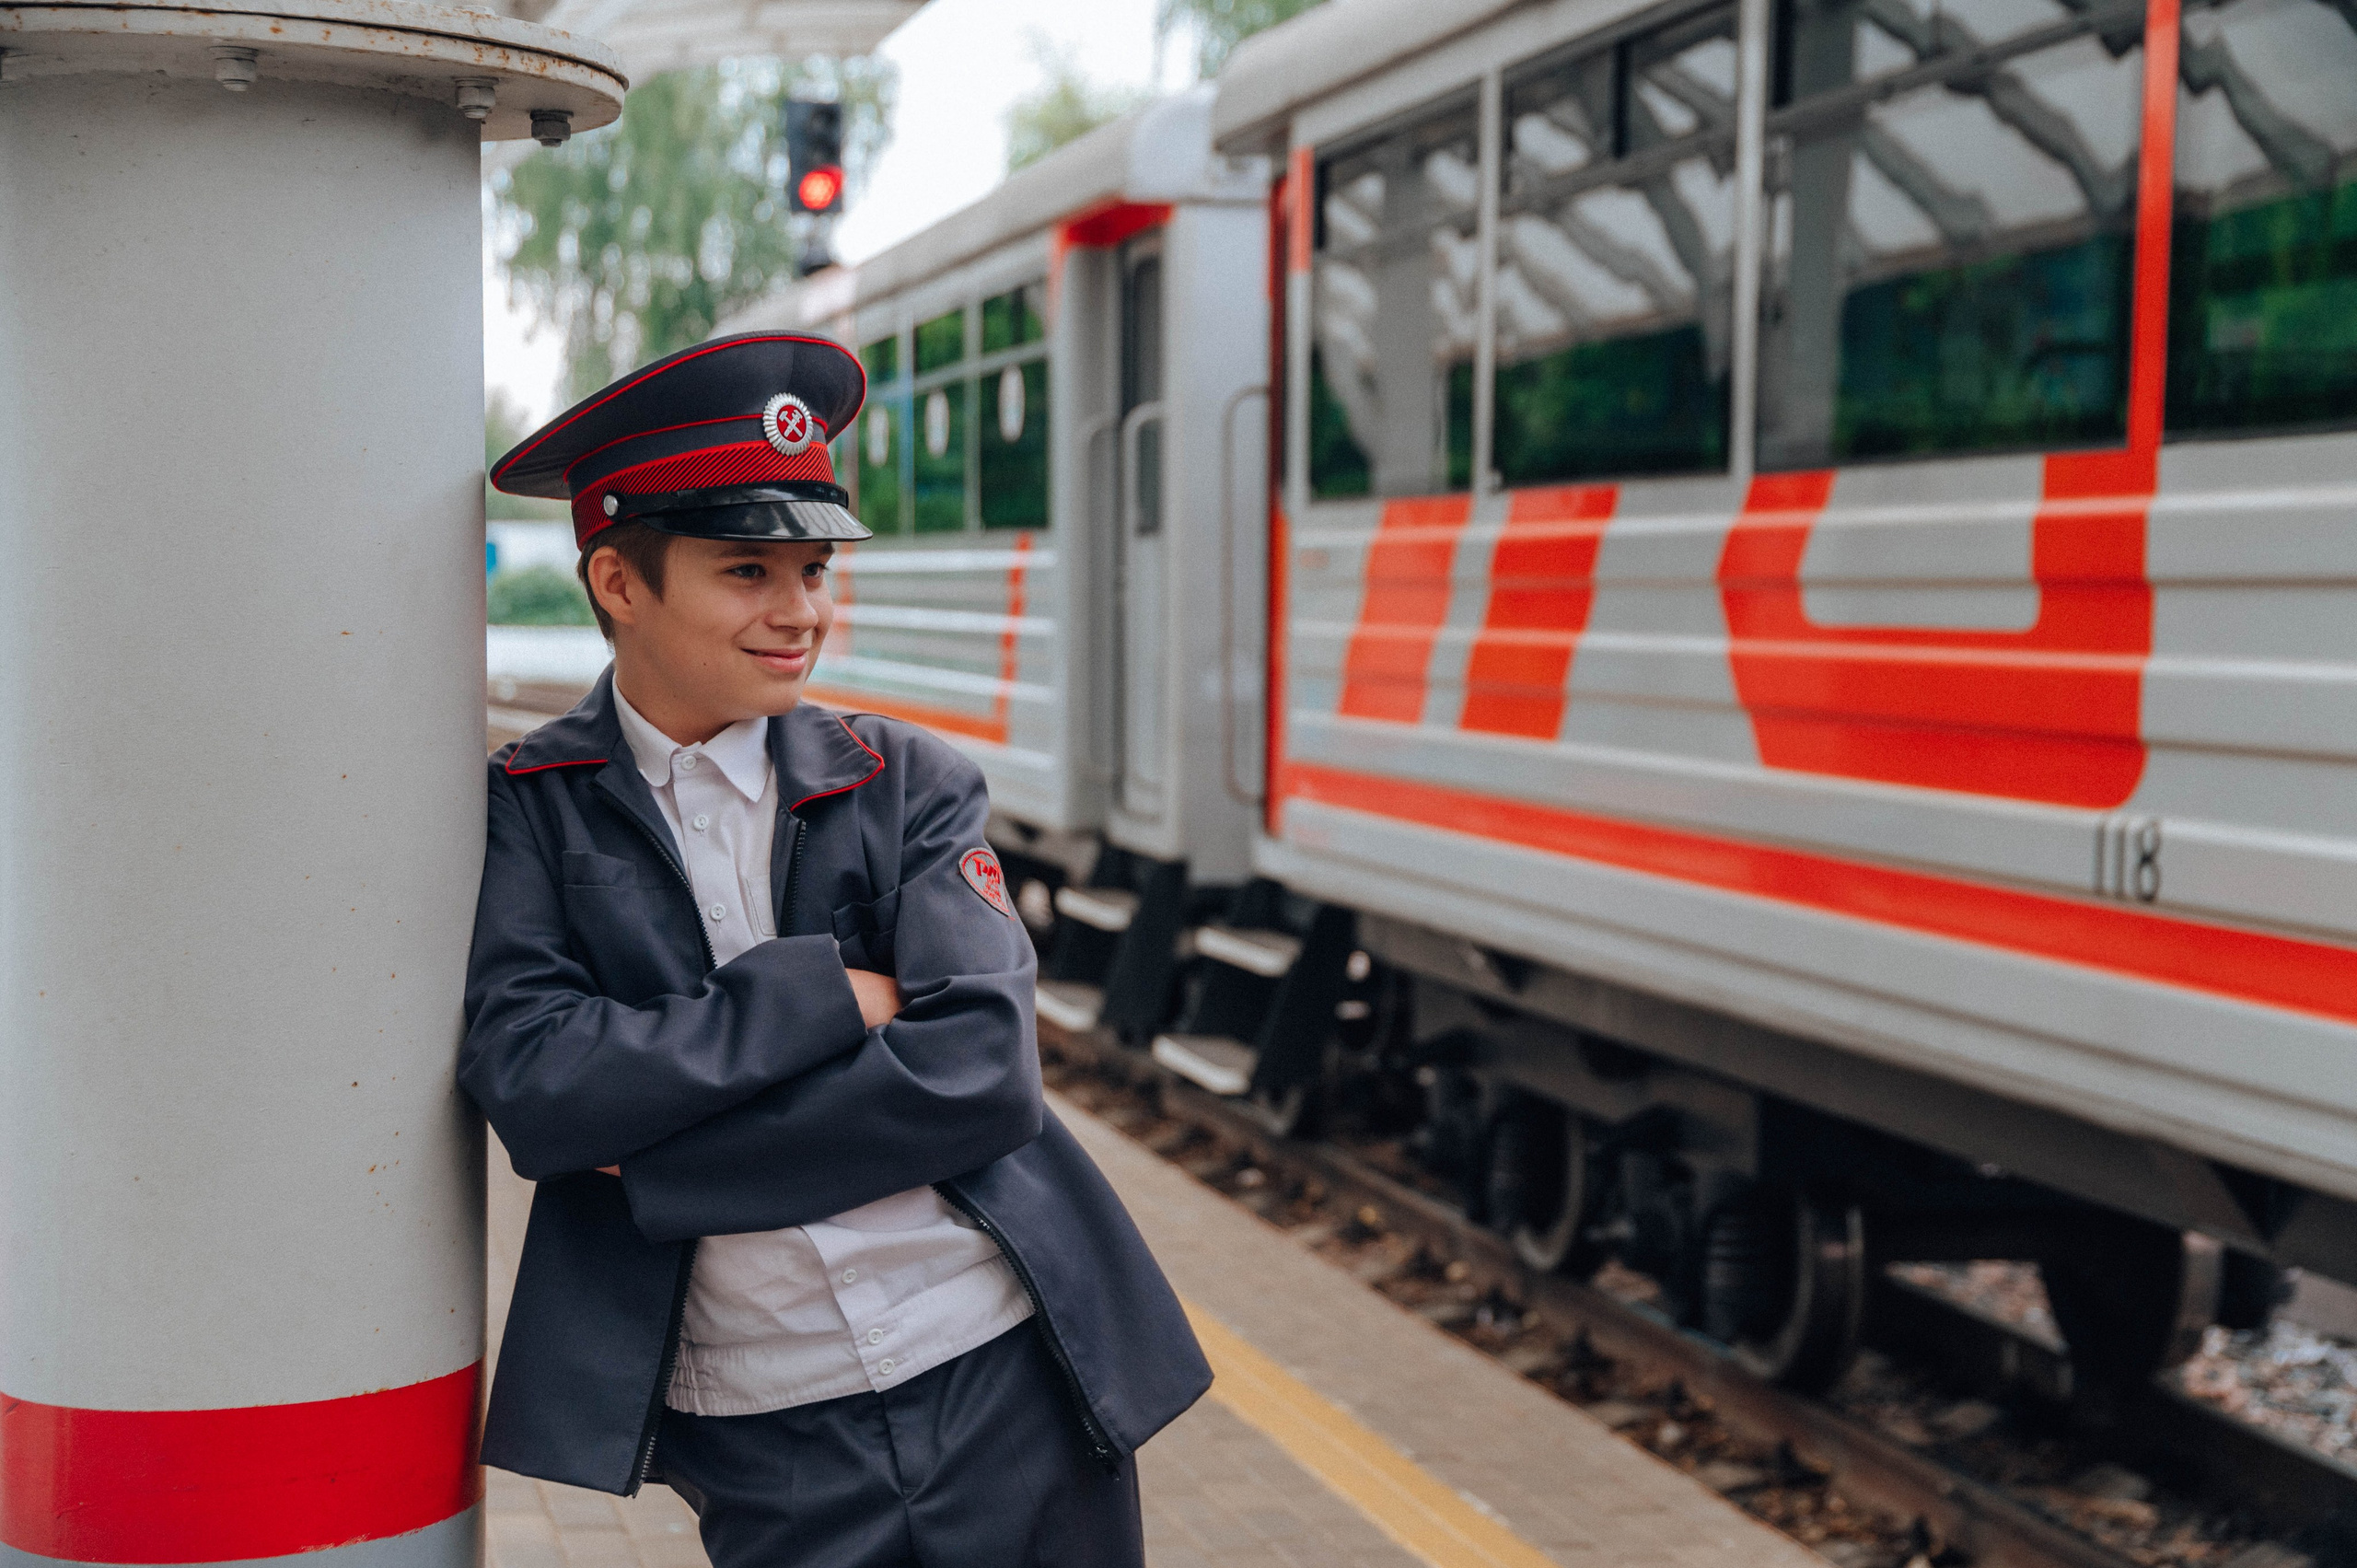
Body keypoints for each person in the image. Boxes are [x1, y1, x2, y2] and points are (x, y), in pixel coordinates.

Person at [465, 332, 1210, 1567]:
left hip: (1006, 1376)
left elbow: (981, 1074)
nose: (800, 611)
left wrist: (656, 1171)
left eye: (814, 569)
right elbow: (541, 1088)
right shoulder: (530, 807)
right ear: (617, 582)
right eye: (748, 569)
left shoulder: (906, 782)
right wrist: (819, 997)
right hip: (767, 1435)